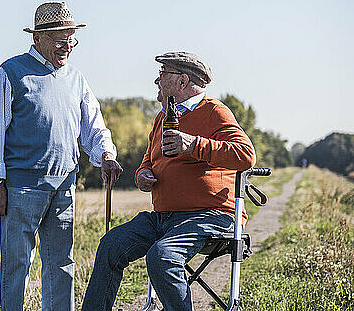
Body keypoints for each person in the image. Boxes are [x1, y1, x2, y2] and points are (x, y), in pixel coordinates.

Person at [81, 52, 256, 311]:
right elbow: (148, 160)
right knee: (110, 245)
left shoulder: (213, 111)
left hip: (209, 215)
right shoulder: (162, 117)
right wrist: (142, 174)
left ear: (182, 81)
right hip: (164, 217)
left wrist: (194, 144)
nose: (156, 80)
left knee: (162, 256)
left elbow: (245, 155)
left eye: (162, 74)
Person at [0, 1, 123, 311]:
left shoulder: (76, 79)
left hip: (65, 187)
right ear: (38, 39)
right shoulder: (11, 72)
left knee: (61, 263)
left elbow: (93, 125)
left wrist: (106, 155)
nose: (68, 46)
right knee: (17, 266)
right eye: (61, 39)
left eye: (72, 38)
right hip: (21, 189)